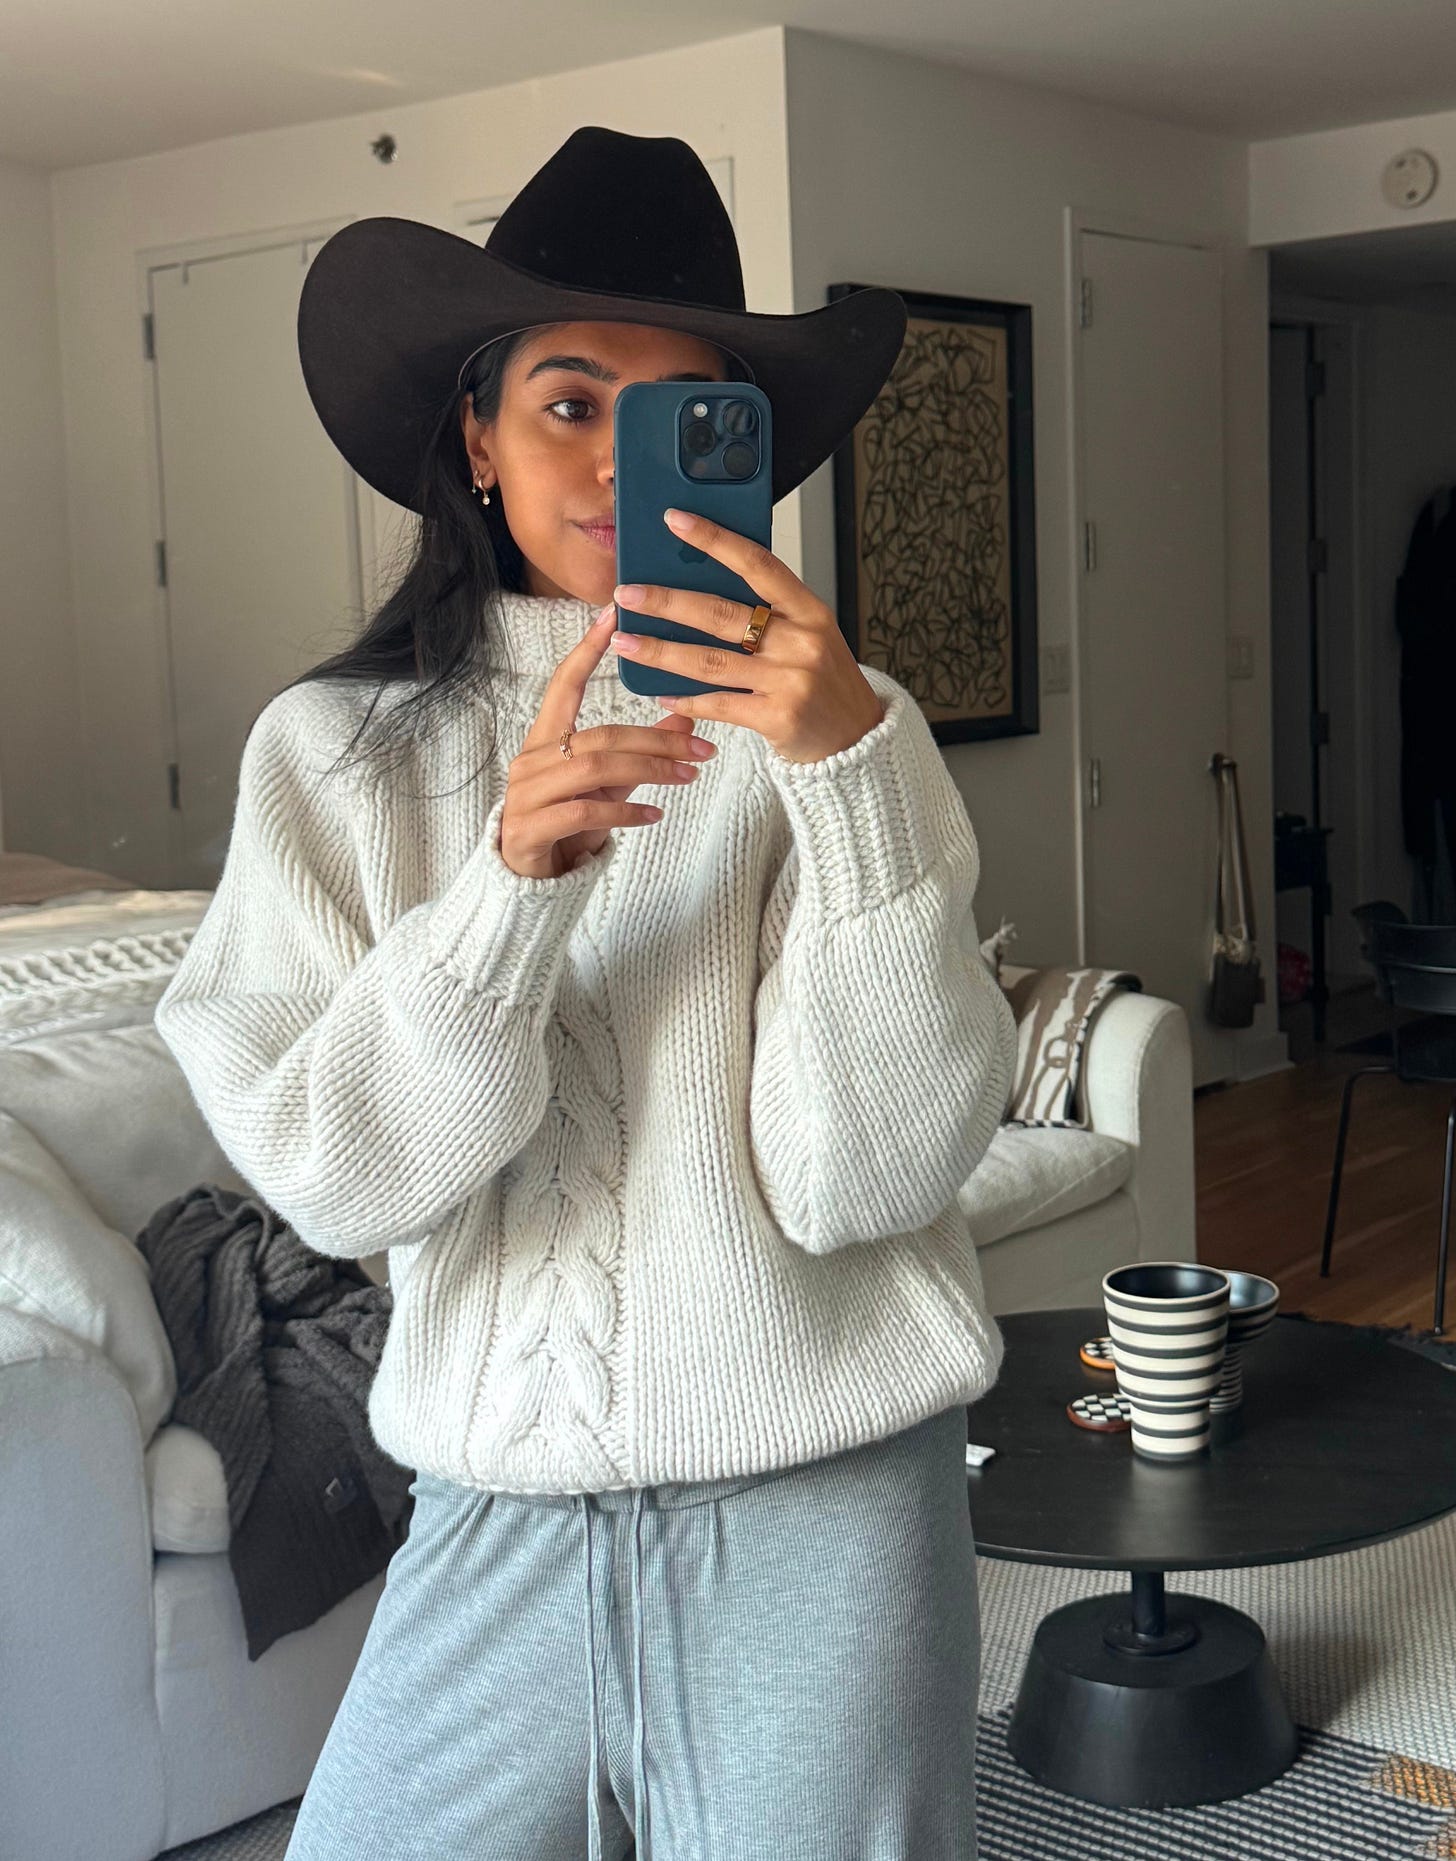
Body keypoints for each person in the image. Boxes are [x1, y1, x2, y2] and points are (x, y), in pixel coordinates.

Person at [155, 125, 1017, 1861]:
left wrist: (847, 780)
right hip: (499, 1504)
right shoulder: (326, 757)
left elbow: (867, 1177)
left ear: (745, 448)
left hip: (825, 1500)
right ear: (476, 435)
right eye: (569, 401)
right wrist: (506, 903)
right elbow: (336, 1182)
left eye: (685, 411)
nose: (625, 457)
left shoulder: (853, 736)